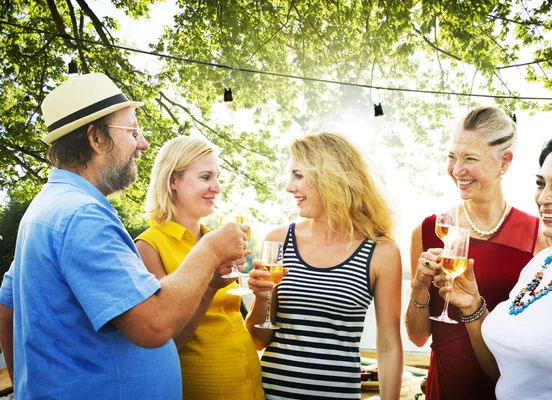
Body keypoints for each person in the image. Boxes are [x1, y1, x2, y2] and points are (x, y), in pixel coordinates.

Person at [0, 73, 248, 398]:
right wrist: (211, 249)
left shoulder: (50, 208)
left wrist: (25, 388)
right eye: (132, 131)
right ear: (97, 139)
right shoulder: (82, 215)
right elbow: (153, 325)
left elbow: (7, 309)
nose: (143, 144)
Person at [440, 131, 552, 399]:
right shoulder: (541, 262)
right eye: (541, 183)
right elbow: (507, 373)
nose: (543, 197)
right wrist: (472, 305)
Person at [245, 132, 404, 400]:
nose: (288, 187)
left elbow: (388, 345)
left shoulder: (382, 252)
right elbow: (258, 340)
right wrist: (261, 298)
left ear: (331, 177)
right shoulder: (278, 240)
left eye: (298, 175)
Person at [405, 106, 547, 399]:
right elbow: (418, 337)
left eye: (470, 158)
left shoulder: (539, 238)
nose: (457, 170)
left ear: (504, 162)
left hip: (507, 388)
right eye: (452, 157)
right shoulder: (428, 230)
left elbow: (538, 339)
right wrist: (419, 288)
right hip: (445, 386)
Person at [135, 136, 264, 399]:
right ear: (173, 181)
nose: (216, 187)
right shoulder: (149, 246)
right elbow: (167, 342)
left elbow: (240, 327)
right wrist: (209, 285)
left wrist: (263, 297)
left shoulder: (216, 241)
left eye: (217, 177)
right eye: (205, 177)